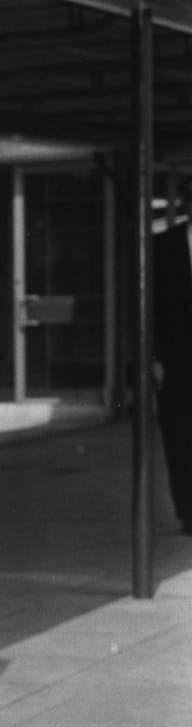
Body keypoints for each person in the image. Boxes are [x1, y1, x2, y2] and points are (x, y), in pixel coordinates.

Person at [149, 206, 192, 534]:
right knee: (180, 439)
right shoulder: (162, 247)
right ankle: (188, 512)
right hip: (177, 364)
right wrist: (152, 359)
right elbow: (147, 306)